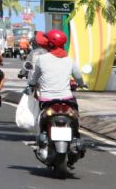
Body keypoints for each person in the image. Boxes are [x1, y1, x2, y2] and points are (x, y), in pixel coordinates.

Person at [27, 29, 86, 157]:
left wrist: (31, 84)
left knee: (41, 120)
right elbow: (78, 77)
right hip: (67, 99)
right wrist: (81, 84)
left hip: (47, 100)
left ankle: (42, 140)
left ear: (50, 44)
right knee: (75, 117)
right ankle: (76, 137)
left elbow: (34, 78)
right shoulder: (69, 60)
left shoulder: (41, 60)